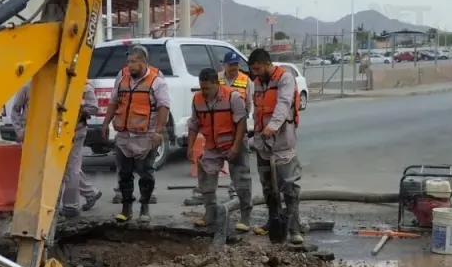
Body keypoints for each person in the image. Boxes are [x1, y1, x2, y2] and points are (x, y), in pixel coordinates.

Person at [10, 81, 102, 217]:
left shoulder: (80, 83)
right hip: (40, 134)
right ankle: (89, 192)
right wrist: (21, 131)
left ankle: (71, 207)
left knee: (71, 168)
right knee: (59, 167)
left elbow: (93, 107)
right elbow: (16, 109)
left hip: (73, 132)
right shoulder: (31, 85)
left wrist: (78, 111)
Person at [101, 44, 170, 223]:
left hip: (146, 136)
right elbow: (113, 102)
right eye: (128, 62)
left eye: (133, 62)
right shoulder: (122, 78)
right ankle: (126, 208)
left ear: (143, 62)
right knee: (124, 174)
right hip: (124, 136)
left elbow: (164, 108)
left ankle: (144, 209)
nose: (129, 65)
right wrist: (106, 123)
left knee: (146, 174)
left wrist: (158, 132)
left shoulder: (157, 82)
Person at [248, 47, 303, 245]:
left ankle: (294, 228)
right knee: (269, 189)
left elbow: (284, 103)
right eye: (253, 69)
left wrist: (272, 126)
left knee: (288, 187)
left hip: (282, 145)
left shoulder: (285, 79)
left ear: (267, 64)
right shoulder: (257, 83)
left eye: (258, 68)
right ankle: (274, 221)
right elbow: (256, 112)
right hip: (263, 145)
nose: (255, 72)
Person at [186, 68, 252, 232]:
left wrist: (236, 147)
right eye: (202, 88)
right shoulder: (197, 99)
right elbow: (194, 124)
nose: (204, 92)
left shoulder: (233, 97)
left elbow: (241, 124)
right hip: (212, 146)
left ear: (217, 83)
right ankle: (210, 214)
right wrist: (190, 146)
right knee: (206, 180)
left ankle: (245, 218)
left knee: (241, 181)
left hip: (234, 143)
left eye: (207, 88)